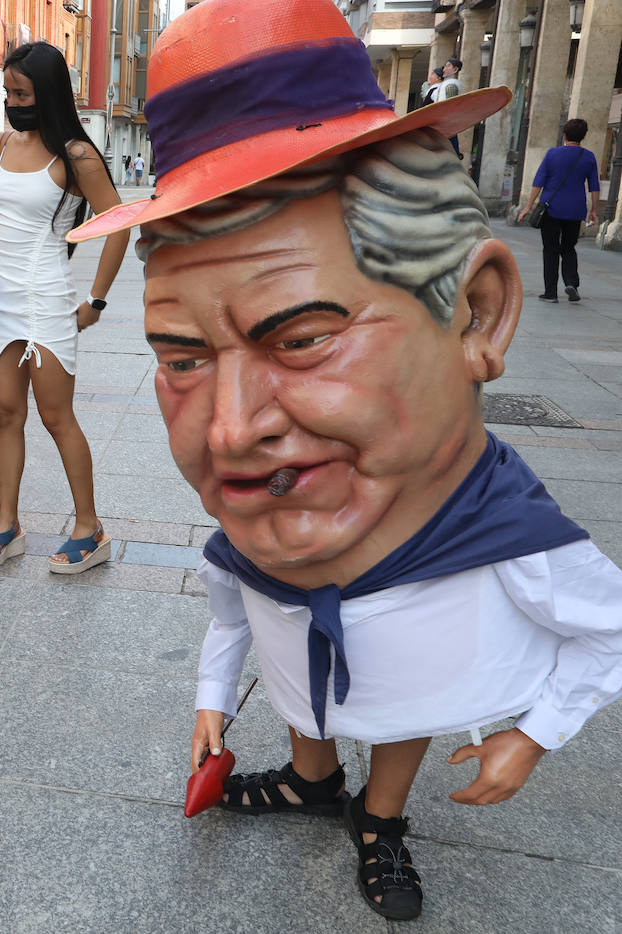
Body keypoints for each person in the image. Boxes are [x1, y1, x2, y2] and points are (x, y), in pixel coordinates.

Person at [70, 0, 622, 922]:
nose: (230, 431)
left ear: (477, 316)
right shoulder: (256, 515)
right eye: (184, 358)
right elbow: (235, 608)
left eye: (305, 340)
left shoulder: (499, 527)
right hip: (295, 674)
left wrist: (534, 734)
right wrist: (214, 696)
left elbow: (608, 627)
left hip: (417, 683)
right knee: (302, 660)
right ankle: (310, 777)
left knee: (398, 702)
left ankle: (382, 814)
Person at [0, 41, 129, 574]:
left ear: (46, 93)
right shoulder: (4, 142)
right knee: (7, 413)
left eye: (21, 92)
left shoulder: (75, 154)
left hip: (48, 297)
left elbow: (116, 222)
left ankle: (89, 529)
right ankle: (8, 526)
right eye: (7, 92)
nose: (12, 101)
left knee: (56, 416)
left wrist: (95, 300)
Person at [516, 118, 600, 303]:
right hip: (575, 209)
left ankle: (550, 293)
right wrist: (593, 210)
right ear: (584, 136)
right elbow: (594, 187)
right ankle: (571, 283)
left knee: (550, 250)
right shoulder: (588, 157)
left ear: (564, 134)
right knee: (569, 248)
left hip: (551, 208)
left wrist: (528, 206)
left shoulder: (552, 154)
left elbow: (538, 182)